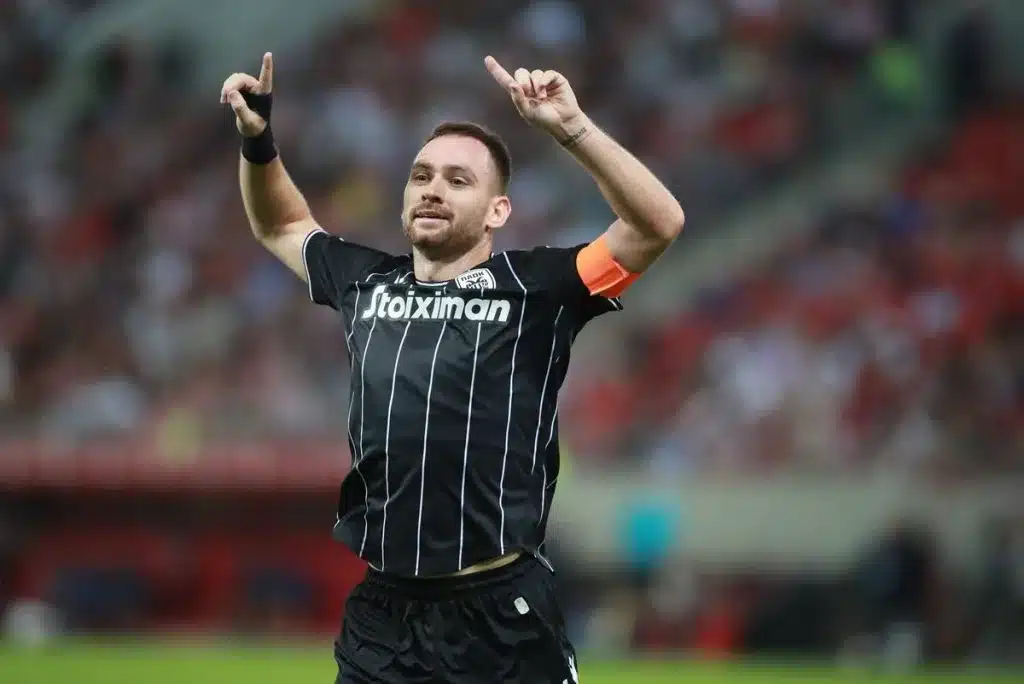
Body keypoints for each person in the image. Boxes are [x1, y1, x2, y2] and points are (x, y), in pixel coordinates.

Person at [221, 51, 684, 684]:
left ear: (498, 212)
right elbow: (280, 223)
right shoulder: (365, 282)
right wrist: (257, 141)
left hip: (502, 614)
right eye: (421, 176)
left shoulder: (540, 288)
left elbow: (658, 224)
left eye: (459, 180)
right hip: (385, 617)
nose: (433, 189)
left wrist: (572, 129)